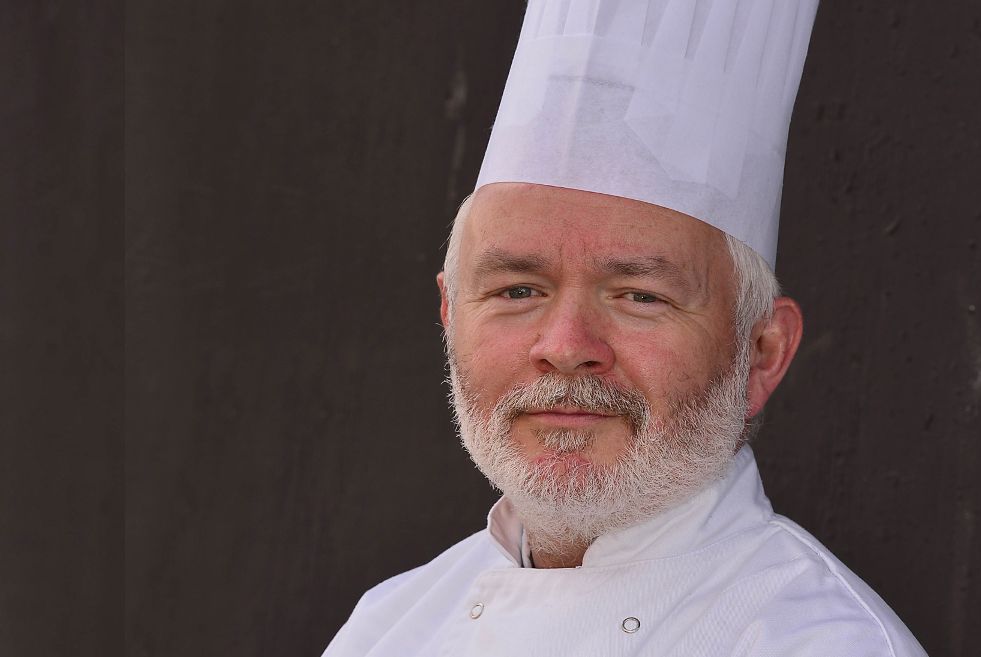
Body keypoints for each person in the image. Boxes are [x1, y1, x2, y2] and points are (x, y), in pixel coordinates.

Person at [324, 1, 927, 655]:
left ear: (761, 351)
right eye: (518, 290)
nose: (564, 347)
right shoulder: (388, 626)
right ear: (450, 315)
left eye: (640, 296)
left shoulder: (814, 642)